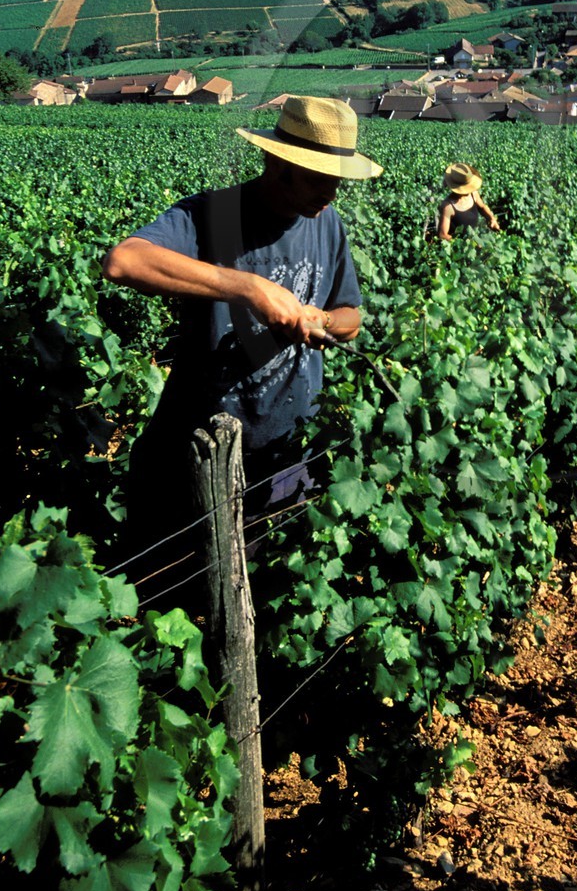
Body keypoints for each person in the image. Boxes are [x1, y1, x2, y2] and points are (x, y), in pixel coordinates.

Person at [103, 95, 381, 589]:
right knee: (175, 591)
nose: (331, 194)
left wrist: (321, 319)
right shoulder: (212, 214)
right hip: (201, 448)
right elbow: (125, 261)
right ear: (278, 162)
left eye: (338, 181)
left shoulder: (327, 223)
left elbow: (351, 317)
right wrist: (250, 287)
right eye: (320, 179)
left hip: (287, 451)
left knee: (264, 591)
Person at [435, 162, 501, 241]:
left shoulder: (473, 194)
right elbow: (443, 235)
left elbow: (482, 207)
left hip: (474, 240)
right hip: (458, 248)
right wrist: (464, 243)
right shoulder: (448, 207)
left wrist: (491, 219)